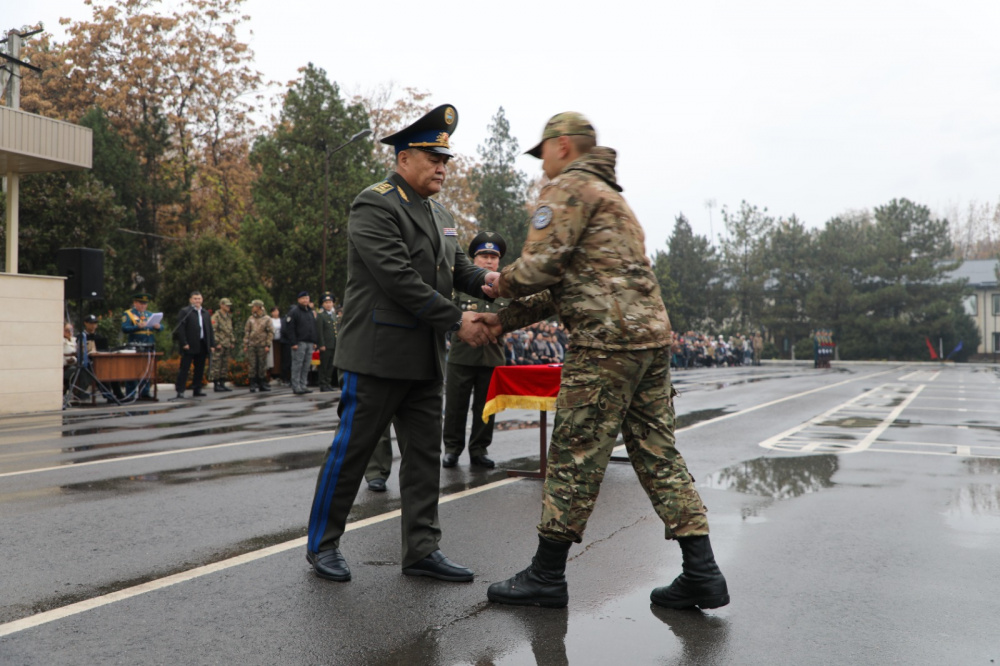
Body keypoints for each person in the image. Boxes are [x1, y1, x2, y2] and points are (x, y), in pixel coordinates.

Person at [481, 112, 728, 611]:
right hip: (650, 341)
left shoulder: (569, 188)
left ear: (565, 146)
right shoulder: (616, 201)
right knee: (658, 454)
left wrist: (497, 285)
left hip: (605, 343)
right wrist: (502, 322)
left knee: (574, 454)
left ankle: (546, 576)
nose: (542, 165)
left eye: (544, 152)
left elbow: (543, 268)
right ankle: (702, 571)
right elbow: (570, 285)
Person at [305, 104, 500, 584]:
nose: (442, 167)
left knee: (422, 459)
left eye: (446, 160)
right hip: (377, 355)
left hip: (424, 358)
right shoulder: (375, 203)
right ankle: (322, 544)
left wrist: (495, 282)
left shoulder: (440, 212)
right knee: (352, 452)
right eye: (433, 158)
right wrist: (457, 319)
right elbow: (398, 278)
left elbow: (459, 270)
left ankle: (422, 550)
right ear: (404, 157)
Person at [442, 231, 509, 470]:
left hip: (492, 356)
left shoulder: (504, 288)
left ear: (499, 261)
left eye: (493, 256)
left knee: (486, 408)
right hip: (461, 355)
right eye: (484, 255)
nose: (489, 260)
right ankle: (452, 449)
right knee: (455, 407)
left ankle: (479, 449)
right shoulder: (460, 286)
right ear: (473, 259)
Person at [121, 292, 160, 400]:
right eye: (141, 303)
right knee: (132, 370)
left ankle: (144, 392)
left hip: (148, 344)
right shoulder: (128, 314)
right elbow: (125, 328)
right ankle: (130, 393)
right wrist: (137, 327)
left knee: (146, 369)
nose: (143, 306)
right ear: (135, 303)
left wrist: (158, 326)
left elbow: (161, 328)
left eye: (145, 303)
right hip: (135, 345)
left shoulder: (149, 315)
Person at [175, 291, 214, 399]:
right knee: (184, 368)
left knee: (200, 369)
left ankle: (197, 389)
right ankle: (180, 390)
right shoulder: (185, 311)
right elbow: (181, 329)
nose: (197, 301)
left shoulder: (205, 313)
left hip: (202, 344)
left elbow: (209, 329)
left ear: (202, 300)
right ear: (190, 300)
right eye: (195, 299)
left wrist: (211, 344)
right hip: (189, 345)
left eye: (199, 299)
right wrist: (184, 343)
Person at [284, 291, 318, 395]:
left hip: (309, 342)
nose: (305, 300)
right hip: (299, 343)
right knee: (297, 365)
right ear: (299, 300)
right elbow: (290, 329)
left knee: (306, 366)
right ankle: (296, 386)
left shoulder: (310, 312)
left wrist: (315, 341)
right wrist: (293, 342)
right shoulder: (294, 312)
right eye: (303, 298)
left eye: (307, 298)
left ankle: (303, 385)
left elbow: (313, 327)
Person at [243, 299, 274, 392]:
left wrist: (268, 344)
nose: (252, 308)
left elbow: (270, 332)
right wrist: (245, 344)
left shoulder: (267, 319)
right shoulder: (250, 319)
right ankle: (252, 384)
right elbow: (247, 332)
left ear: (258, 307)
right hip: (252, 345)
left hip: (262, 345)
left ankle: (262, 383)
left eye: (253, 306)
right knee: (252, 364)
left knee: (262, 365)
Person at [209, 298, 236, 392]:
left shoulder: (228, 316)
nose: (228, 307)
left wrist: (232, 341)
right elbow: (213, 331)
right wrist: (217, 343)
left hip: (227, 343)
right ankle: (216, 384)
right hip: (220, 344)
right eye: (226, 305)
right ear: (221, 305)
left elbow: (230, 330)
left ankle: (222, 383)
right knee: (217, 364)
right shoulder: (216, 316)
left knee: (224, 365)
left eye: (229, 305)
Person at [316, 293, 339, 393]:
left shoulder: (334, 315)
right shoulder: (321, 315)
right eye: (326, 302)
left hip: (333, 344)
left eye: (330, 302)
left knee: (331, 366)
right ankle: (323, 384)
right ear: (322, 304)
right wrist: (321, 344)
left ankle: (328, 383)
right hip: (325, 345)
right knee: (324, 366)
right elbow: (319, 331)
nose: (328, 304)